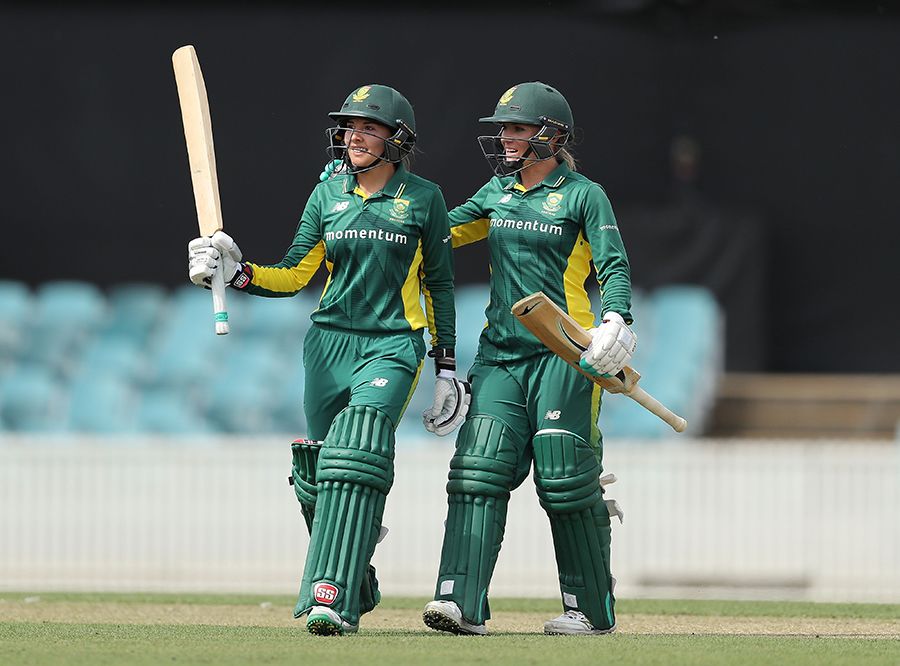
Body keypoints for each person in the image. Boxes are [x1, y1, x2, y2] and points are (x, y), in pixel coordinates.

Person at [187, 84, 470, 636]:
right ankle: (356, 577)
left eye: (368, 127)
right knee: (319, 476)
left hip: (392, 344)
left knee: (355, 451)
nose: (354, 136)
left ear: (397, 139)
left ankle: (331, 600)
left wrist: (444, 367)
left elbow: (439, 283)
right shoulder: (328, 196)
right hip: (327, 346)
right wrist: (235, 272)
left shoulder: (424, 199)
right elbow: (295, 273)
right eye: (349, 127)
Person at [421, 82, 636, 636]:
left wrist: (615, 321)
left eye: (518, 128)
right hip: (500, 356)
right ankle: (460, 602)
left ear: (552, 134)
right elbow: (433, 234)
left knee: (565, 480)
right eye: (504, 128)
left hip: (566, 355)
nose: (506, 137)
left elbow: (612, 266)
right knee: (476, 472)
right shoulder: (497, 192)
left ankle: (590, 610)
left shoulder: (585, 195)